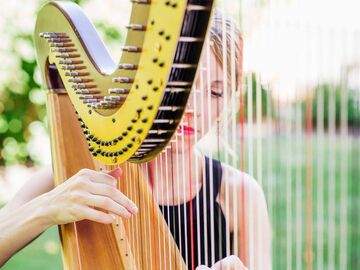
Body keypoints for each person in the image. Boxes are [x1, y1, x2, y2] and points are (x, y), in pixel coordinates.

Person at [0, 12, 271, 270]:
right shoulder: (80, 176)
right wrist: (48, 207)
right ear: (146, 85)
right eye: (180, 86)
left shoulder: (240, 194)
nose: (194, 107)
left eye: (215, 92)